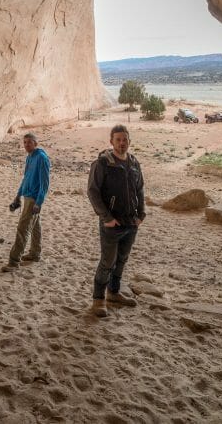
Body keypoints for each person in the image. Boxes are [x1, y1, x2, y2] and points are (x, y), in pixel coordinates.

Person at [86, 124, 145, 317]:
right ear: (111, 141)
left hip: (131, 222)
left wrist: (140, 214)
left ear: (129, 141)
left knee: (122, 260)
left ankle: (113, 292)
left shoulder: (134, 163)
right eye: (118, 139)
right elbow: (93, 192)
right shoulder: (103, 163)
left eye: (125, 139)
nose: (122, 143)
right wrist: (107, 218)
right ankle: (98, 300)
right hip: (112, 224)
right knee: (107, 262)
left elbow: (140, 190)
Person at [2, 133, 51, 272]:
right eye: (24, 142)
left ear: (36, 143)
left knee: (23, 228)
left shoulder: (42, 158)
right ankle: (35, 253)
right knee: (35, 226)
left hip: (34, 199)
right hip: (27, 196)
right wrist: (18, 195)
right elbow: (26, 178)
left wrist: (38, 202)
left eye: (29, 142)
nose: (26, 145)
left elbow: (45, 183)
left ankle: (13, 261)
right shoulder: (29, 157)